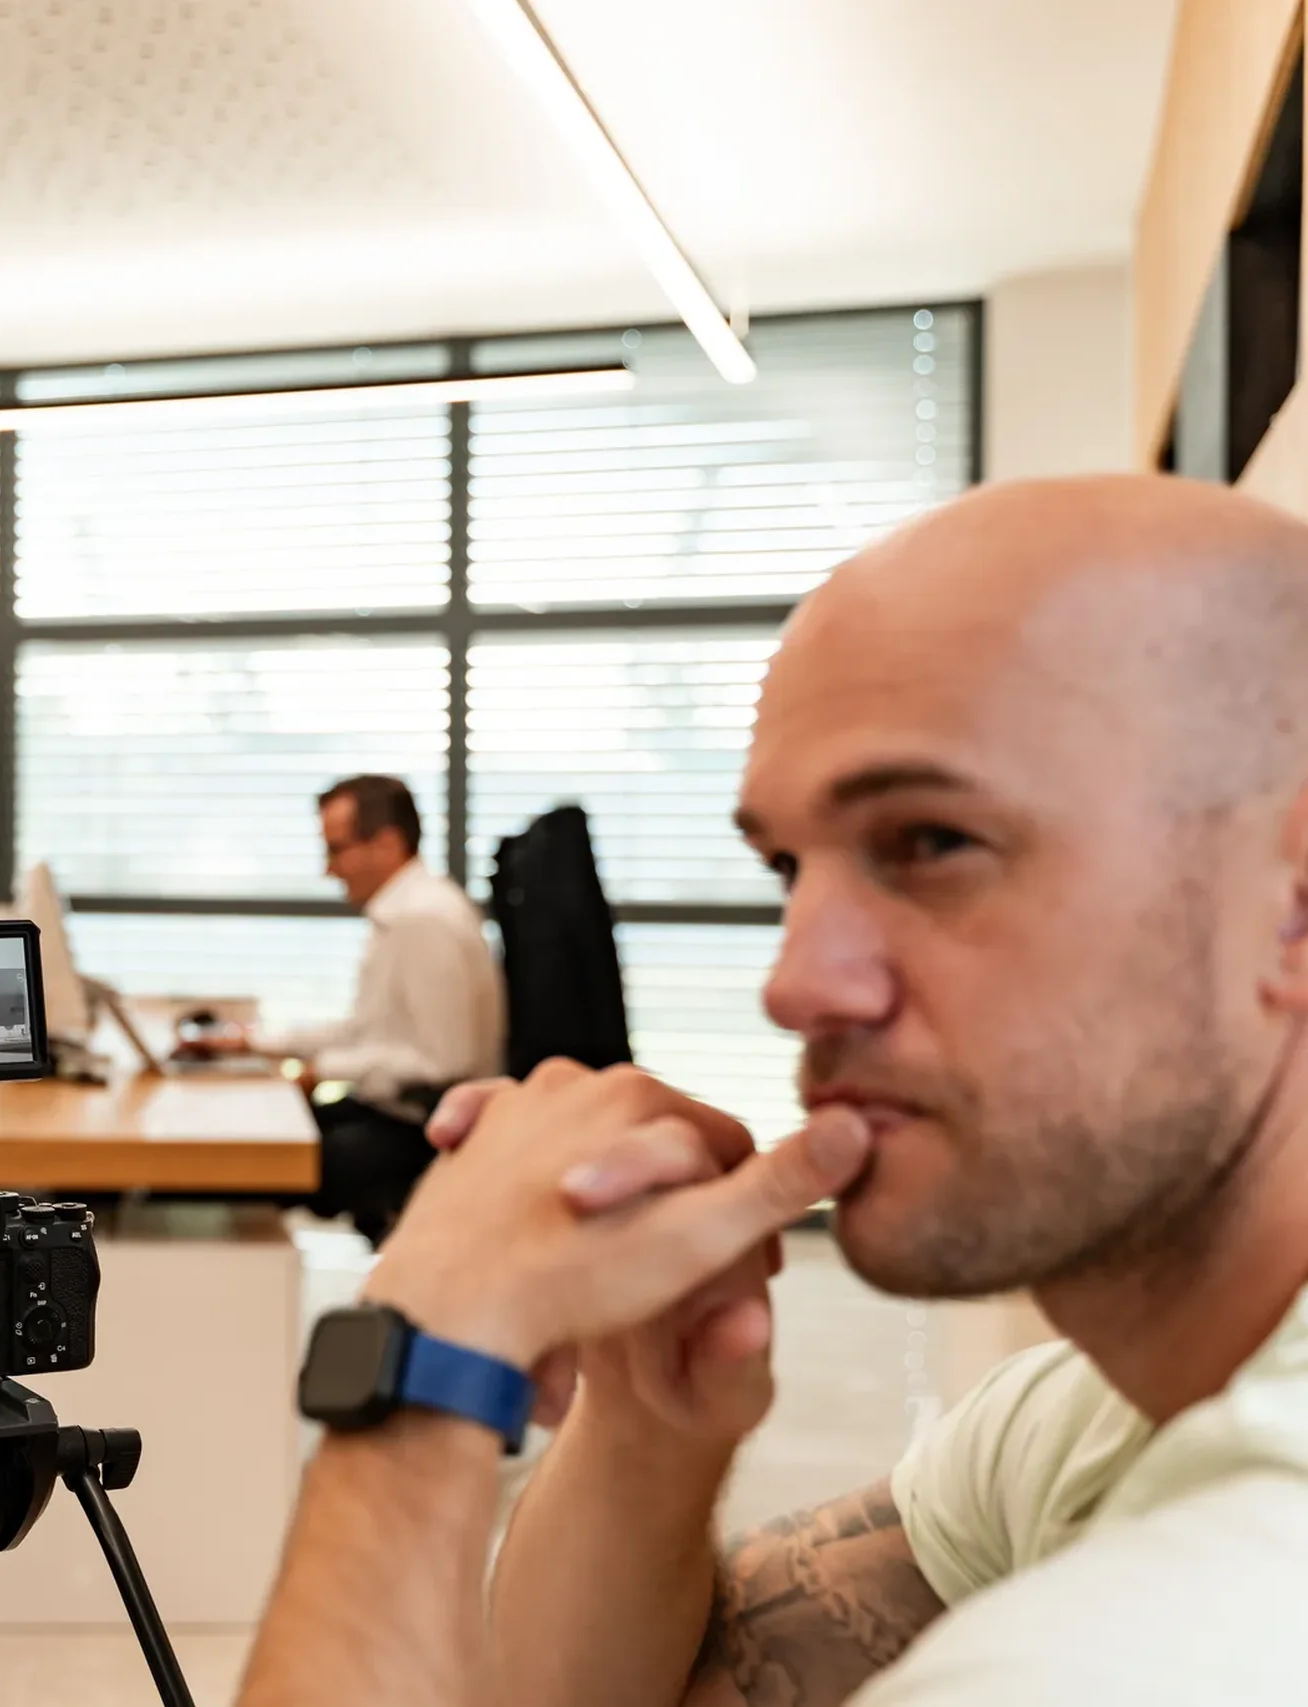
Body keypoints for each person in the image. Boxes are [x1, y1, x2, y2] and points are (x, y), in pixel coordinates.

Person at [238, 474, 1308, 1705]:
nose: (792, 984)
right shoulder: (1083, 1420)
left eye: (931, 843)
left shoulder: (1192, 1629)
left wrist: (418, 1372)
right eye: (788, 870)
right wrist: (645, 1425)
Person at [193, 773, 504, 1243]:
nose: (329, 870)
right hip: (390, 1112)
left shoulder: (425, 920)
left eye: (337, 850)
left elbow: (445, 1062)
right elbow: (367, 1029)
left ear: (387, 844)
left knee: (250, 1161)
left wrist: (320, 1070)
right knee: (249, 1137)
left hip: (419, 1130)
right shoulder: (405, 912)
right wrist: (256, 1043)